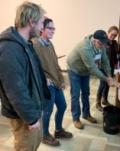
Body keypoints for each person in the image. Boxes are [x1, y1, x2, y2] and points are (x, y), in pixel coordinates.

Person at [0, 2, 49, 151]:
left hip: (33, 106)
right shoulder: (9, 48)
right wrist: (31, 117)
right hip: (22, 114)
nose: (42, 27)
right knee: (26, 146)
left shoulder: (24, 43)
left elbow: (30, 71)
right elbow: (15, 89)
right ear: (31, 22)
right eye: (41, 22)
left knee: (34, 143)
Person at [32, 18, 73, 146]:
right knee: (48, 110)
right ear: (41, 29)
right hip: (47, 85)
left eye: (54, 28)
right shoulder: (34, 44)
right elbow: (32, 66)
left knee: (62, 106)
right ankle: (45, 135)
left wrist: (61, 80)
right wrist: (43, 79)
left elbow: (55, 64)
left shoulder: (49, 44)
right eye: (50, 28)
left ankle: (58, 130)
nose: (53, 31)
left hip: (56, 82)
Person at [67, 30, 113, 129]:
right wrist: (106, 79)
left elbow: (105, 61)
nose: (103, 46)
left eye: (104, 43)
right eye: (101, 43)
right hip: (74, 70)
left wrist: (109, 75)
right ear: (94, 40)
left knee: (86, 92)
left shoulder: (101, 45)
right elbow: (92, 68)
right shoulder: (85, 48)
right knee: (75, 94)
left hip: (85, 70)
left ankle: (86, 114)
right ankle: (76, 118)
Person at [96, 26, 119, 111]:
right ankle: (98, 103)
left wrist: (116, 64)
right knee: (102, 84)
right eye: (112, 34)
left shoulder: (115, 43)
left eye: (115, 35)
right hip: (103, 67)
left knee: (108, 84)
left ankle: (104, 100)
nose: (113, 36)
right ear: (108, 33)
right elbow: (98, 55)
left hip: (111, 66)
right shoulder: (103, 43)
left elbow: (116, 55)